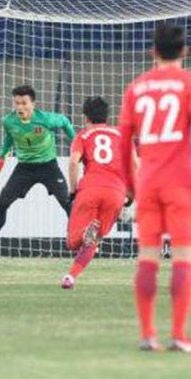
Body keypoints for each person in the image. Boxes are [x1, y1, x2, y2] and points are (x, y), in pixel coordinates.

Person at [119, 24, 191, 353]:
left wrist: (130, 185)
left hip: (149, 183)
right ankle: (179, 336)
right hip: (182, 183)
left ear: (152, 51)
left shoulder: (137, 88)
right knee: (183, 259)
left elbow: (125, 142)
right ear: (185, 51)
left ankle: (147, 334)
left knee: (147, 260)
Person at [0, 84, 75, 256]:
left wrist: (77, 145)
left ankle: (83, 242)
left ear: (33, 104)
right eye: (17, 103)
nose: (20, 107)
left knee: (68, 203)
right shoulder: (8, 121)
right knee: (2, 203)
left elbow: (64, 121)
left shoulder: (45, 119)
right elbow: (9, 138)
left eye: (24, 103)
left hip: (49, 166)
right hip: (24, 168)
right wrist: (2, 158)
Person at [61, 97, 129, 289]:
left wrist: (73, 189)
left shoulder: (83, 135)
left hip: (91, 188)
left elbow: (74, 162)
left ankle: (84, 232)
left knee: (73, 242)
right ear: (107, 116)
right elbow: (134, 166)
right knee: (94, 240)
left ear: (86, 117)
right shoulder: (121, 135)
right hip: (116, 192)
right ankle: (70, 277)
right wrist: (131, 195)